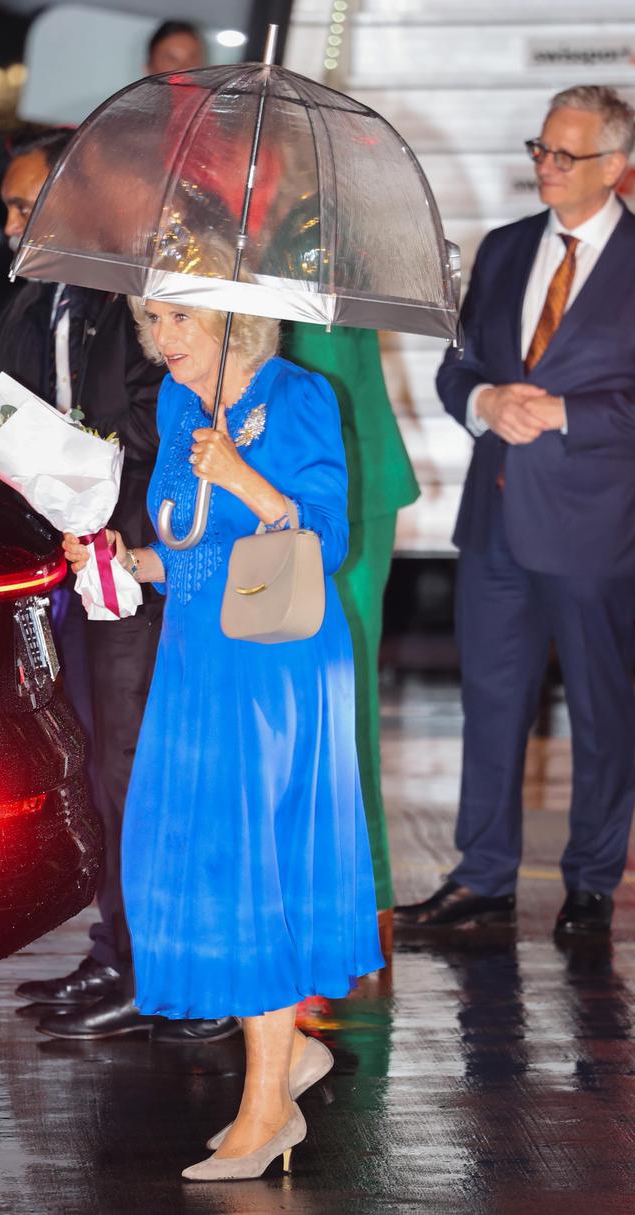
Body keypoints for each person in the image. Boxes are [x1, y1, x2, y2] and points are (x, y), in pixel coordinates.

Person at [63, 235, 384, 1180]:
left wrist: (246, 476)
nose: (161, 337)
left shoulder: (298, 397)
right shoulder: (175, 401)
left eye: (178, 318)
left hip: (278, 666)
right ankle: (285, 1062)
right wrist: (128, 563)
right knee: (209, 857)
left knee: (258, 863)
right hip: (199, 654)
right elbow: (192, 553)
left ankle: (265, 1107)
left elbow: (323, 537)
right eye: (153, 318)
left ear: (235, 320)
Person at [0, 129, 235, 1044]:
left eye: (21, 205)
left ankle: (176, 970)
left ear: (77, 197)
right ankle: (120, 947)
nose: (7, 225)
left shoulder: (149, 299)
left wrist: (99, 485)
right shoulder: (36, 296)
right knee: (93, 766)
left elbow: (180, 425)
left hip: (143, 566)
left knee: (139, 769)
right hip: (68, 568)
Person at [394, 86, 635, 938]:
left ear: (616, 167)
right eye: (541, 148)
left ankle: (592, 878)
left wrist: (569, 413)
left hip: (599, 530)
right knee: (491, 702)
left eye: (565, 155)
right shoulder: (501, 250)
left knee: (604, 711)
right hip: (494, 522)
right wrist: (487, 398)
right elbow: (456, 369)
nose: (545, 165)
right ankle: (484, 874)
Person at [282, 322, 419, 943]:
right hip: (271, 494)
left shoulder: (323, 242)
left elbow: (323, 376)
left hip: (344, 492)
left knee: (345, 698)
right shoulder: (219, 239)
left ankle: (367, 898)